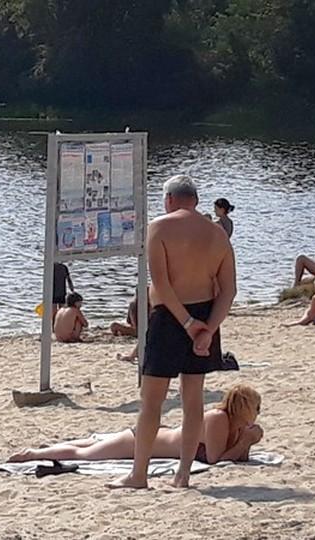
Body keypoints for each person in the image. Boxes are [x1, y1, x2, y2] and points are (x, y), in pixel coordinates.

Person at [109, 175, 236, 490]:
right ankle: (183, 474)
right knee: (193, 399)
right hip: (205, 315)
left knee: (151, 401)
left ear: (168, 199)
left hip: (170, 317)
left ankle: (139, 474)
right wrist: (207, 329)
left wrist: (187, 324)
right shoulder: (217, 233)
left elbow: (162, 285)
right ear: (196, 200)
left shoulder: (160, 227)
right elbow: (229, 291)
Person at [5, 384, 263, 465]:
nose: (258, 413)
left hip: (155, 438)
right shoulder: (219, 419)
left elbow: (236, 457)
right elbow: (217, 459)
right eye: (256, 408)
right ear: (245, 408)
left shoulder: (235, 426)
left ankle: (48, 449)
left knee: (92, 446)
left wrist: (246, 441)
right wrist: (245, 441)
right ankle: (33, 454)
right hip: (145, 441)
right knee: (84, 454)